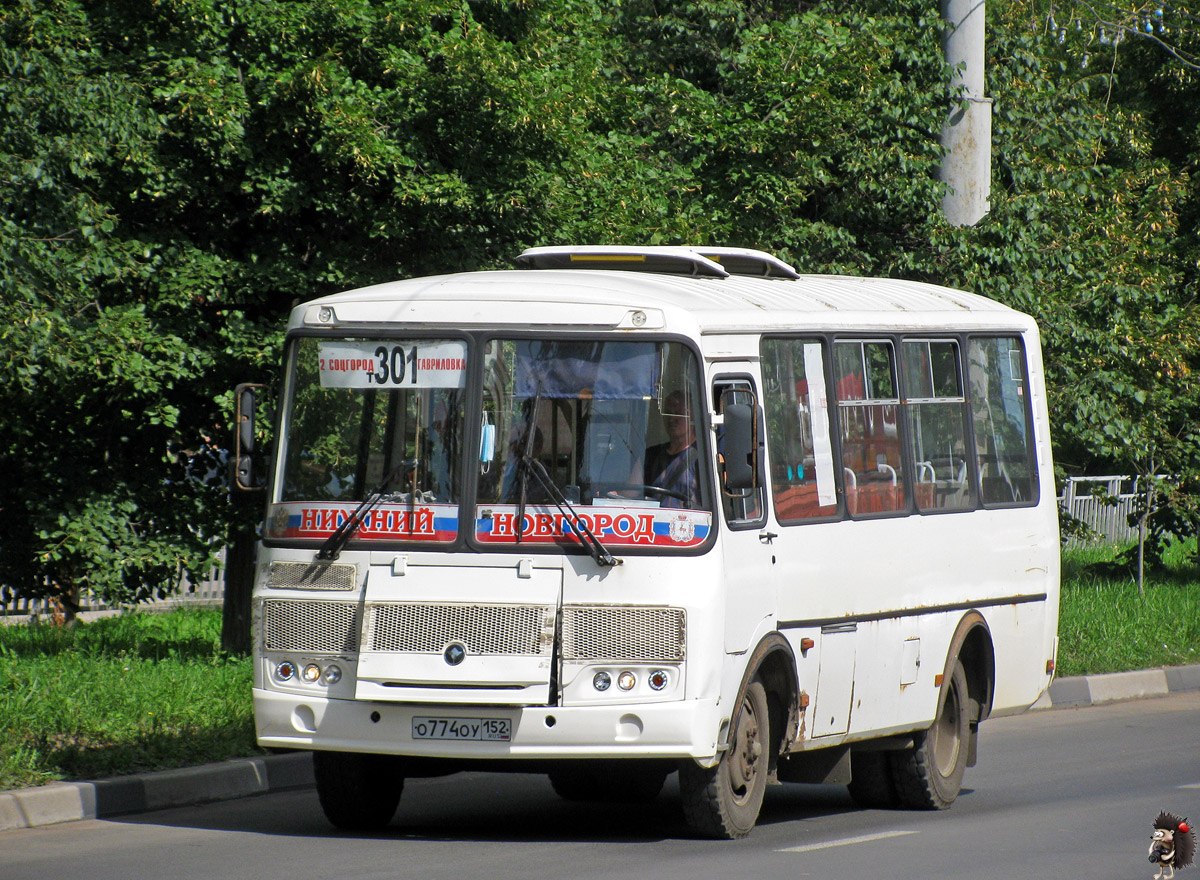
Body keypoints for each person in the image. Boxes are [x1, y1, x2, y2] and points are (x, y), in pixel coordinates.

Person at [643, 391, 701, 509]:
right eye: (668, 413)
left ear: (693, 417)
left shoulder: (703, 457)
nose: (672, 418)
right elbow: (628, 494)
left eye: (679, 414)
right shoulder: (651, 455)